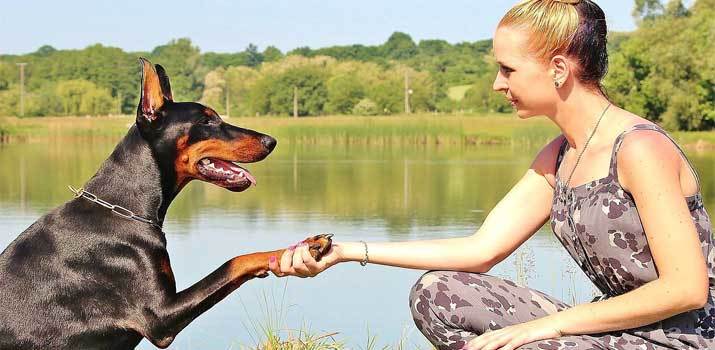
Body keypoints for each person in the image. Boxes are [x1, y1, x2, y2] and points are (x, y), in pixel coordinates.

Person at [268, 0, 715, 348]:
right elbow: (479, 249)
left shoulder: (638, 147)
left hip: (683, 340)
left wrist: (552, 326)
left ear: (558, 69)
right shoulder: (560, 156)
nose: (497, 84)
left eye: (508, 69)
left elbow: (687, 289)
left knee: (532, 345)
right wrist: (347, 251)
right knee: (436, 294)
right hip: (612, 332)